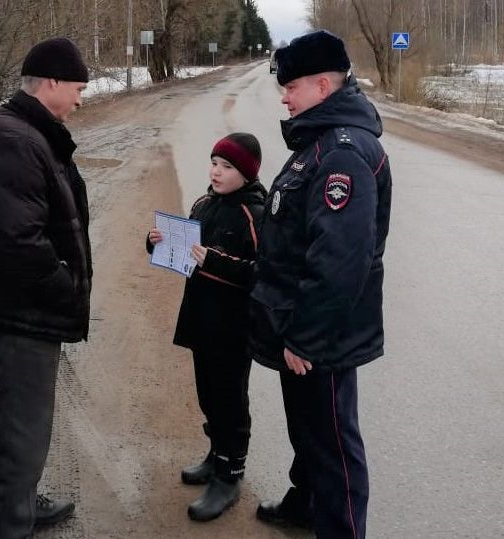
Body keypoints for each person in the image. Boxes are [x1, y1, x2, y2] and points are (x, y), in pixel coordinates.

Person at [248, 30, 392, 539]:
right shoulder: (318, 143)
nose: (284, 97)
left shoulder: (343, 154)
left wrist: (305, 338)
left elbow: (339, 262)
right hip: (301, 324)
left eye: (291, 87)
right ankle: (305, 504)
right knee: (308, 429)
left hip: (320, 337)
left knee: (333, 447)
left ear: (323, 86)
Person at [0, 37, 92, 539]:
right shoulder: (17, 139)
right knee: (21, 429)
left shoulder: (28, 131)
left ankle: (20, 505)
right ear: (53, 82)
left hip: (28, 309)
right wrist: (65, 288)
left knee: (29, 424)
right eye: (78, 88)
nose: (81, 98)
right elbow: (17, 240)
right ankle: (9, 526)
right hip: (25, 312)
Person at [146, 133, 266, 521]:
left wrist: (214, 261)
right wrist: (157, 242)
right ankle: (216, 455)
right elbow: (184, 253)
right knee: (208, 395)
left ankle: (230, 475)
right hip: (201, 320)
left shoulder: (254, 214)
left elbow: (262, 273)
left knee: (230, 400)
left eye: (227, 166)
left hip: (234, 329)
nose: (216, 172)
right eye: (214, 163)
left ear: (246, 173)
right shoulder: (203, 203)